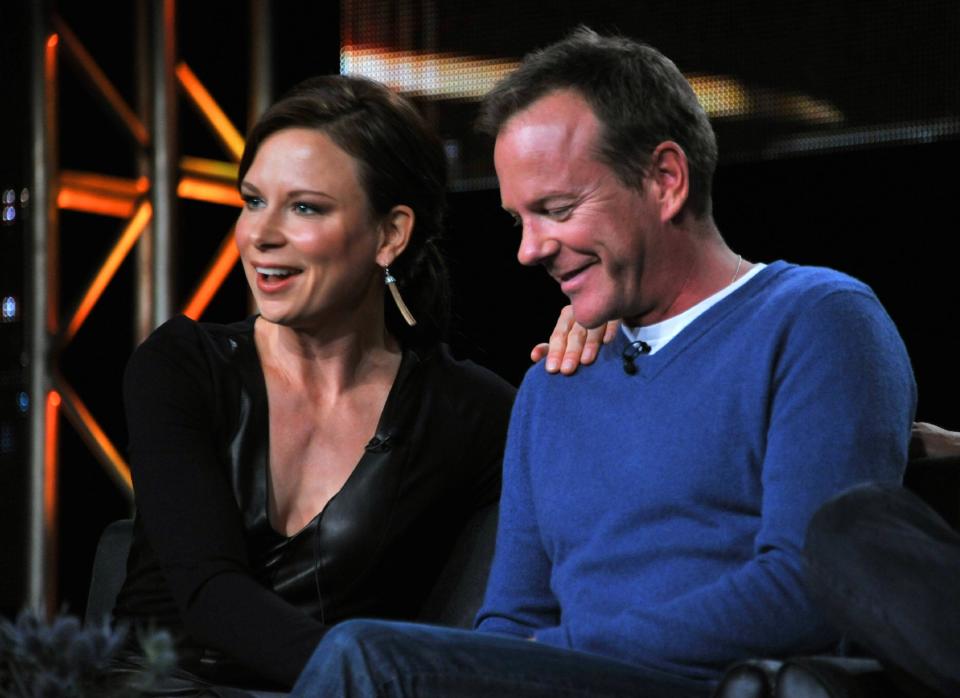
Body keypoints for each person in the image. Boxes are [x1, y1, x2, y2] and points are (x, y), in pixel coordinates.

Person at [289, 28, 917, 697]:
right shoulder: (553, 384)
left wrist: (557, 649)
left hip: (713, 683)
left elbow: (808, 587)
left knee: (366, 657)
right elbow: (512, 620)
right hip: (567, 681)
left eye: (556, 210)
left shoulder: (817, 321)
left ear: (665, 180)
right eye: (518, 220)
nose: (528, 250)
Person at [111, 75, 517, 693]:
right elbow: (208, 594)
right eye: (253, 201)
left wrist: (594, 348)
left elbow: (586, 525)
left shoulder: (463, 410)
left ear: (390, 234)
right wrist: (373, 681)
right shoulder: (182, 365)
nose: (260, 235)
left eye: (304, 207)